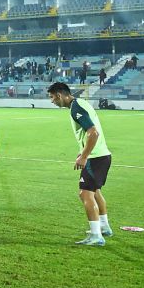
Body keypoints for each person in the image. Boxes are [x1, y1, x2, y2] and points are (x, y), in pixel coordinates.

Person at [47, 82, 113, 246]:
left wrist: (84, 156)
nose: (52, 101)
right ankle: (104, 227)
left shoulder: (76, 108)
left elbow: (93, 133)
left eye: (52, 97)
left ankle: (96, 235)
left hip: (95, 158)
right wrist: (83, 150)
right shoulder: (81, 103)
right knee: (95, 191)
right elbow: (89, 133)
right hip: (102, 155)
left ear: (60, 95)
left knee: (85, 194)